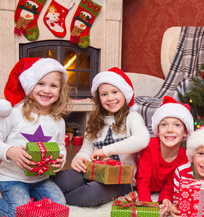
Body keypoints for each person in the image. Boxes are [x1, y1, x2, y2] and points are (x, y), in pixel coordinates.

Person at [0, 58, 70, 217]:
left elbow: (60, 146)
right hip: (12, 179)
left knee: (60, 208)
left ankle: (30, 198)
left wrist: (61, 159)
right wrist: (10, 152)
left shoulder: (58, 121)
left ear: (60, 91)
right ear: (30, 85)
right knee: (18, 216)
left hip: (41, 179)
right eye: (41, 84)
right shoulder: (14, 114)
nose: (47, 90)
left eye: (53, 86)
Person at [51, 67, 150, 207]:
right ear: (98, 98)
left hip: (121, 180)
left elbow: (143, 139)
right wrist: (79, 159)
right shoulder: (96, 120)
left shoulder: (132, 117)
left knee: (89, 194)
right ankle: (51, 194)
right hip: (93, 171)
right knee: (62, 179)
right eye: (104, 94)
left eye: (115, 92)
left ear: (125, 94)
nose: (110, 98)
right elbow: (86, 150)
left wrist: (106, 151)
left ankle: (55, 200)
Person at [136, 96, 194, 217]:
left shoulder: (184, 157)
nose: (170, 130)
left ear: (185, 132)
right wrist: (147, 205)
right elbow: (143, 179)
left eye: (177, 125)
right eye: (164, 125)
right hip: (139, 187)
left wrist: (166, 199)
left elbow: (171, 183)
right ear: (157, 129)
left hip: (160, 190)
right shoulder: (150, 147)